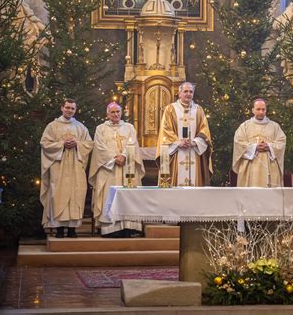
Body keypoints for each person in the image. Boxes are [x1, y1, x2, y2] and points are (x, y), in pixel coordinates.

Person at [89, 102, 145, 236]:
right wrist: (114, 158)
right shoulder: (101, 128)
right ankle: (110, 229)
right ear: (107, 114)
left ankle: (129, 227)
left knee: (128, 196)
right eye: (113, 112)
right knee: (109, 196)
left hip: (127, 167)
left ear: (121, 113)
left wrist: (124, 156)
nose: (116, 114)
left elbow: (133, 143)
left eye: (118, 112)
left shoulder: (129, 127)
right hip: (109, 168)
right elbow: (99, 147)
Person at [40, 99, 94, 238]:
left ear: (75, 110)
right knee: (58, 194)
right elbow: (45, 144)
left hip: (76, 166)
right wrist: (62, 144)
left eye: (72, 108)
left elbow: (89, 144)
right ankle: (59, 229)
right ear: (62, 108)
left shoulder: (80, 127)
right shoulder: (52, 126)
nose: (69, 110)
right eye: (67, 107)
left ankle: (72, 229)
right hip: (59, 165)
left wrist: (77, 144)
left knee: (75, 195)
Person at [156, 82, 212, 186]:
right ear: (179, 93)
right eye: (185, 91)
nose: (188, 94)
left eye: (191, 92)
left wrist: (195, 142)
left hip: (194, 152)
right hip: (176, 153)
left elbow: (205, 130)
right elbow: (165, 130)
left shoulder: (198, 110)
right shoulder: (170, 109)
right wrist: (178, 143)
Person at [232, 98, 286, 187]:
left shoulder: (275, 126)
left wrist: (269, 146)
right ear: (253, 110)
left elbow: (281, 142)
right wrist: (254, 147)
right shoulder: (244, 126)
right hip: (250, 167)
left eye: (263, 109)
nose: (261, 112)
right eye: (258, 109)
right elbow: (238, 143)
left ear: (266, 110)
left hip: (270, 167)